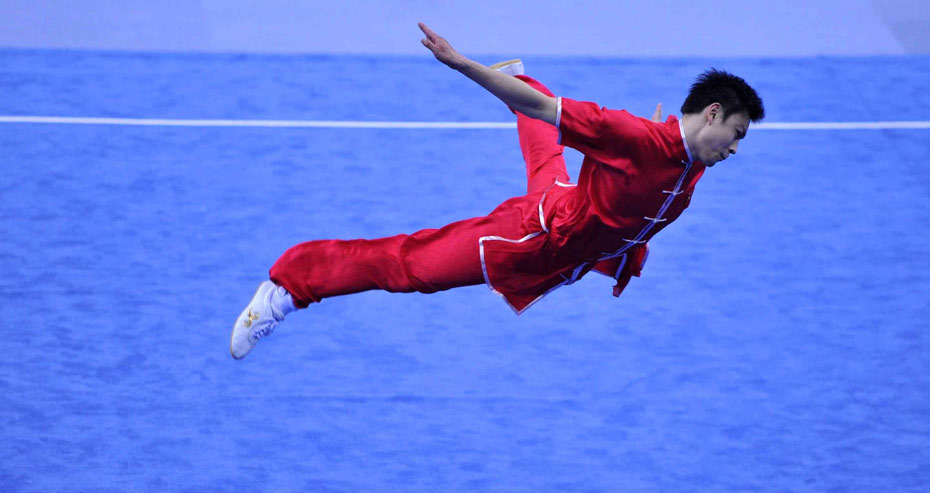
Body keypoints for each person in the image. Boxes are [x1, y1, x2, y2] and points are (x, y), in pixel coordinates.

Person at [230, 23, 764, 359]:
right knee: (411, 267)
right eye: (737, 133)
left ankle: (520, 76)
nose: (736, 148)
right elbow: (548, 112)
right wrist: (465, 65)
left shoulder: (694, 159)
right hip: (532, 235)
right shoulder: (632, 137)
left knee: (548, 166)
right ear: (712, 113)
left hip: (571, 224)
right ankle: (289, 284)